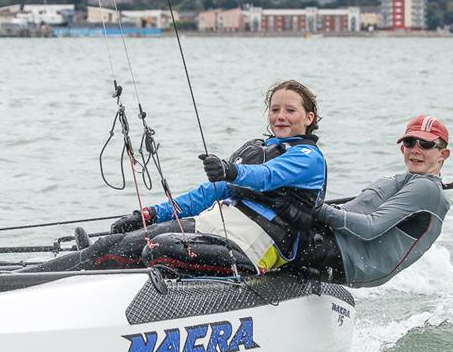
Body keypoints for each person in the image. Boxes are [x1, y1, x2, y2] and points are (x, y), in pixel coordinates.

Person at [23, 80, 327, 275]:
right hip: (214, 227)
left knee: (158, 248)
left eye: (290, 110)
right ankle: (30, 278)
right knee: (113, 244)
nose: (280, 116)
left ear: (308, 118)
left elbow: (266, 177)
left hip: (254, 245)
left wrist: (231, 170)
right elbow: (206, 195)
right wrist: (149, 213)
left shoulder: (308, 158)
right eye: (275, 109)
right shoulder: (259, 148)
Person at [309, 115, 452, 288]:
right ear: (402, 149)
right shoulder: (400, 181)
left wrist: (315, 209)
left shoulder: (427, 189)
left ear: (443, 155)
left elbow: (370, 228)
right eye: (410, 142)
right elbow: (350, 211)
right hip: (337, 244)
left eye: (426, 144)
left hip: (348, 260)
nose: (415, 149)